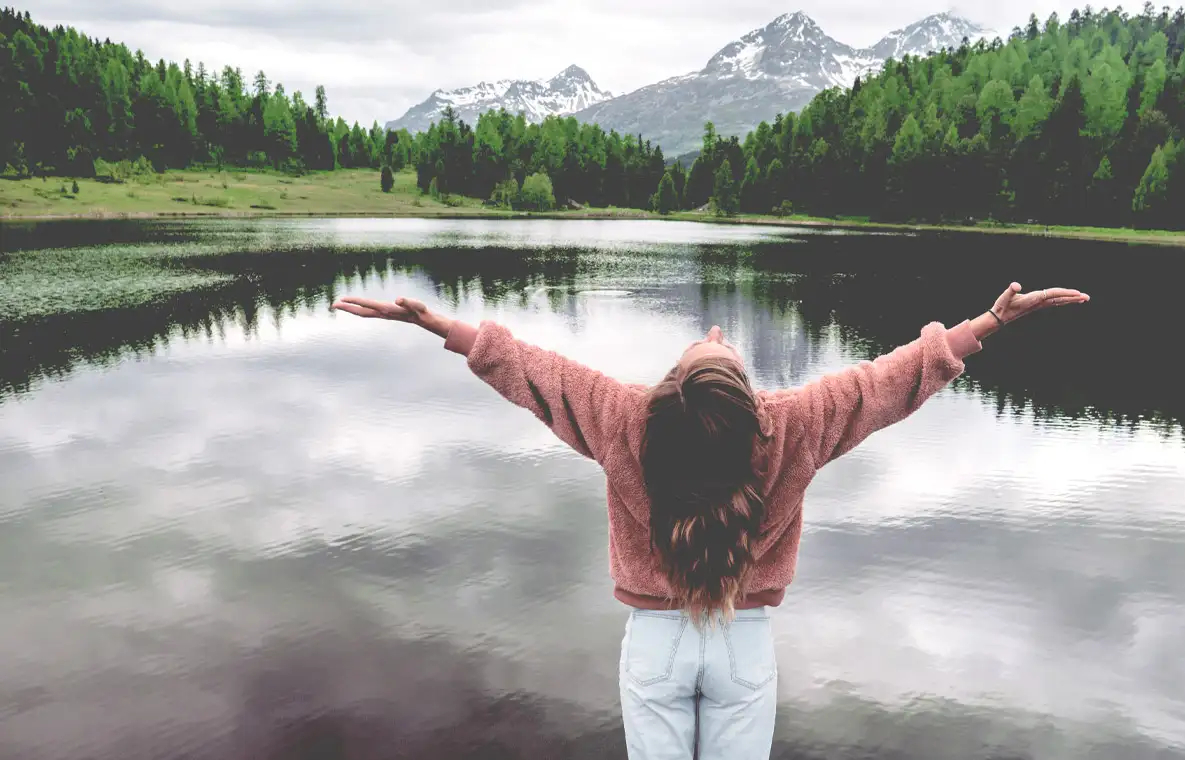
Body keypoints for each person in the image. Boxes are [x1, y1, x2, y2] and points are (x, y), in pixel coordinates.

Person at [332, 282, 1090, 759]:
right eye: (717, 344)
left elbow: (536, 376)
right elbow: (882, 386)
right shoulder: (789, 425)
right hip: (745, 646)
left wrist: (438, 326)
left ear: (674, 383)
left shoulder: (625, 418)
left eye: (711, 344)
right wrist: (987, 323)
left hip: (655, 646)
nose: (719, 335)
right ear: (743, 399)